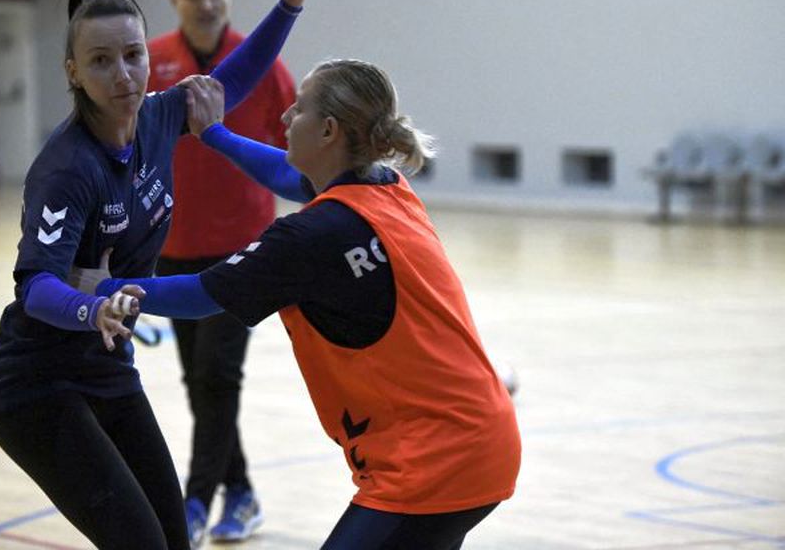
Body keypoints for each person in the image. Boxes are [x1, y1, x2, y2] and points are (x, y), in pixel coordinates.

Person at [76, 61, 522, 550]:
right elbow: (290, 178)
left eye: (301, 107)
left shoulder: (311, 237)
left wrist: (104, 286)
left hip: (434, 460)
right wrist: (215, 135)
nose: (287, 115)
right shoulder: (386, 186)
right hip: (479, 438)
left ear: (328, 130)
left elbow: (203, 295)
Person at [0, 0, 312, 550]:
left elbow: (229, 84)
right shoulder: (66, 168)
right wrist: (93, 306)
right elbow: (35, 285)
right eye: (101, 61)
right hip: (35, 385)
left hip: (106, 368)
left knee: (172, 540)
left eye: (132, 54)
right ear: (73, 72)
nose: (124, 73)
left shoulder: (159, 116)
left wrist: (289, 2)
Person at [147, 0, 294, 546]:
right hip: (173, 247)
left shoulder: (260, 59)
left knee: (218, 375)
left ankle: (195, 501)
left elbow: (294, 145)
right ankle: (243, 491)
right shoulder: (152, 60)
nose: (207, 3)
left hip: (244, 249)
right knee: (197, 381)